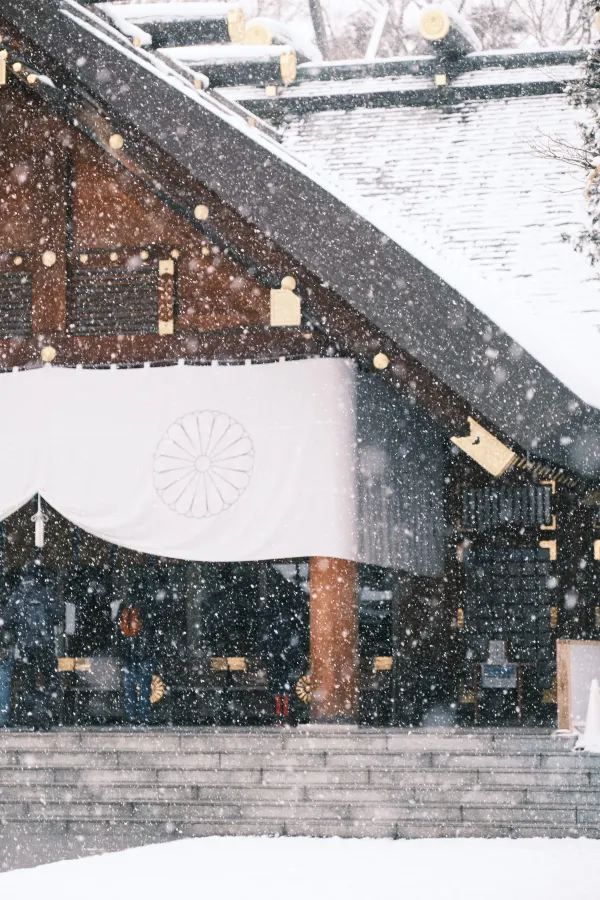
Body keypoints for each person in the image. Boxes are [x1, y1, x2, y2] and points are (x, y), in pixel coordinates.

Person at [4, 560, 63, 730]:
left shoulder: (18, 595)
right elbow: (58, 614)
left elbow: (7, 619)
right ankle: (45, 712)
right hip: (45, 644)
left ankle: (32, 714)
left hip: (26, 646)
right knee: (48, 678)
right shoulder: (45, 593)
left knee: (29, 680)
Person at [116, 564, 162, 726]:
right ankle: (142, 716)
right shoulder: (148, 608)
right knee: (143, 687)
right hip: (143, 654)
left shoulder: (125, 608)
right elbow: (154, 631)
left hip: (131, 654)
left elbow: (119, 632)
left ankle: (133, 716)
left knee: (131, 687)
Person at [0, 603, 16, 727]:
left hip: (4, 653)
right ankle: (3, 717)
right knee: (4, 685)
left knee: (4, 685)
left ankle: (3, 716)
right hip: (4, 654)